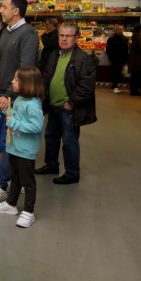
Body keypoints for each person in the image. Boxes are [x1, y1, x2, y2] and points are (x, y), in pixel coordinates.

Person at [34, 22, 97, 184]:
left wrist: (71, 103)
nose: (64, 39)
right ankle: (51, 165)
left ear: (76, 38)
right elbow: (48, 76)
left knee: (69, 141)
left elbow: (87, 86)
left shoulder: (82, 59)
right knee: (51, 137)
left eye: (68, 36)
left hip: (68, 108)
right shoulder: (55, 55)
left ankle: (72, 173)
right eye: (61, 35)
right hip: (53, 106)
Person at [0, 0, 39, 202]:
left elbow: (25, 69)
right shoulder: (5, 33)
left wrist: (8, 95)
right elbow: (4, 66)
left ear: (16, 11)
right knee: (7, 140)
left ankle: (1, 185)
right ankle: (13, 182)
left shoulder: (28, 34)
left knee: (9, 140)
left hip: (16, 95)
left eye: (4, 7)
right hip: (3, 92)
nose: (1, 11)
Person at [0, 67, 45, 228]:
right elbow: (15, 115)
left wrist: (13, 122)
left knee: (28, 182)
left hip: (25, 150)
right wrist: (6, 110)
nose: (12, 82)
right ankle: (11, 204)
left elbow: (36, 126)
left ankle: (29, 212)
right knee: (15, 178)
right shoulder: (20, 99)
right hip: (14, 147)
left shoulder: (34, 105)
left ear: (27, 84)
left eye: (16, 79)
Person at [105, 23, 129, 94]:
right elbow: (108, 50)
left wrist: (126, 58)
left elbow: (127, 49)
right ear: (115, 30)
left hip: (122, 59)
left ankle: (114, 87)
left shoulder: (125, 39)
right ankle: (114, 86)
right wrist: (111, 57)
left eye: (121, 30)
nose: (120, 31)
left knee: (119, 73)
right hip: (115, 59)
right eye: (119, 30)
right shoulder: (111, 39)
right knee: (115, 73)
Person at [128, 24, 141, 95]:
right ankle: (134, 91)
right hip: (137, 59)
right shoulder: (139, 37)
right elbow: (140, 48)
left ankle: (133, 90)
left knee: (134, 75)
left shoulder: (134, 36)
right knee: (136, 75)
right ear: (140, 30)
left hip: (133, 58)